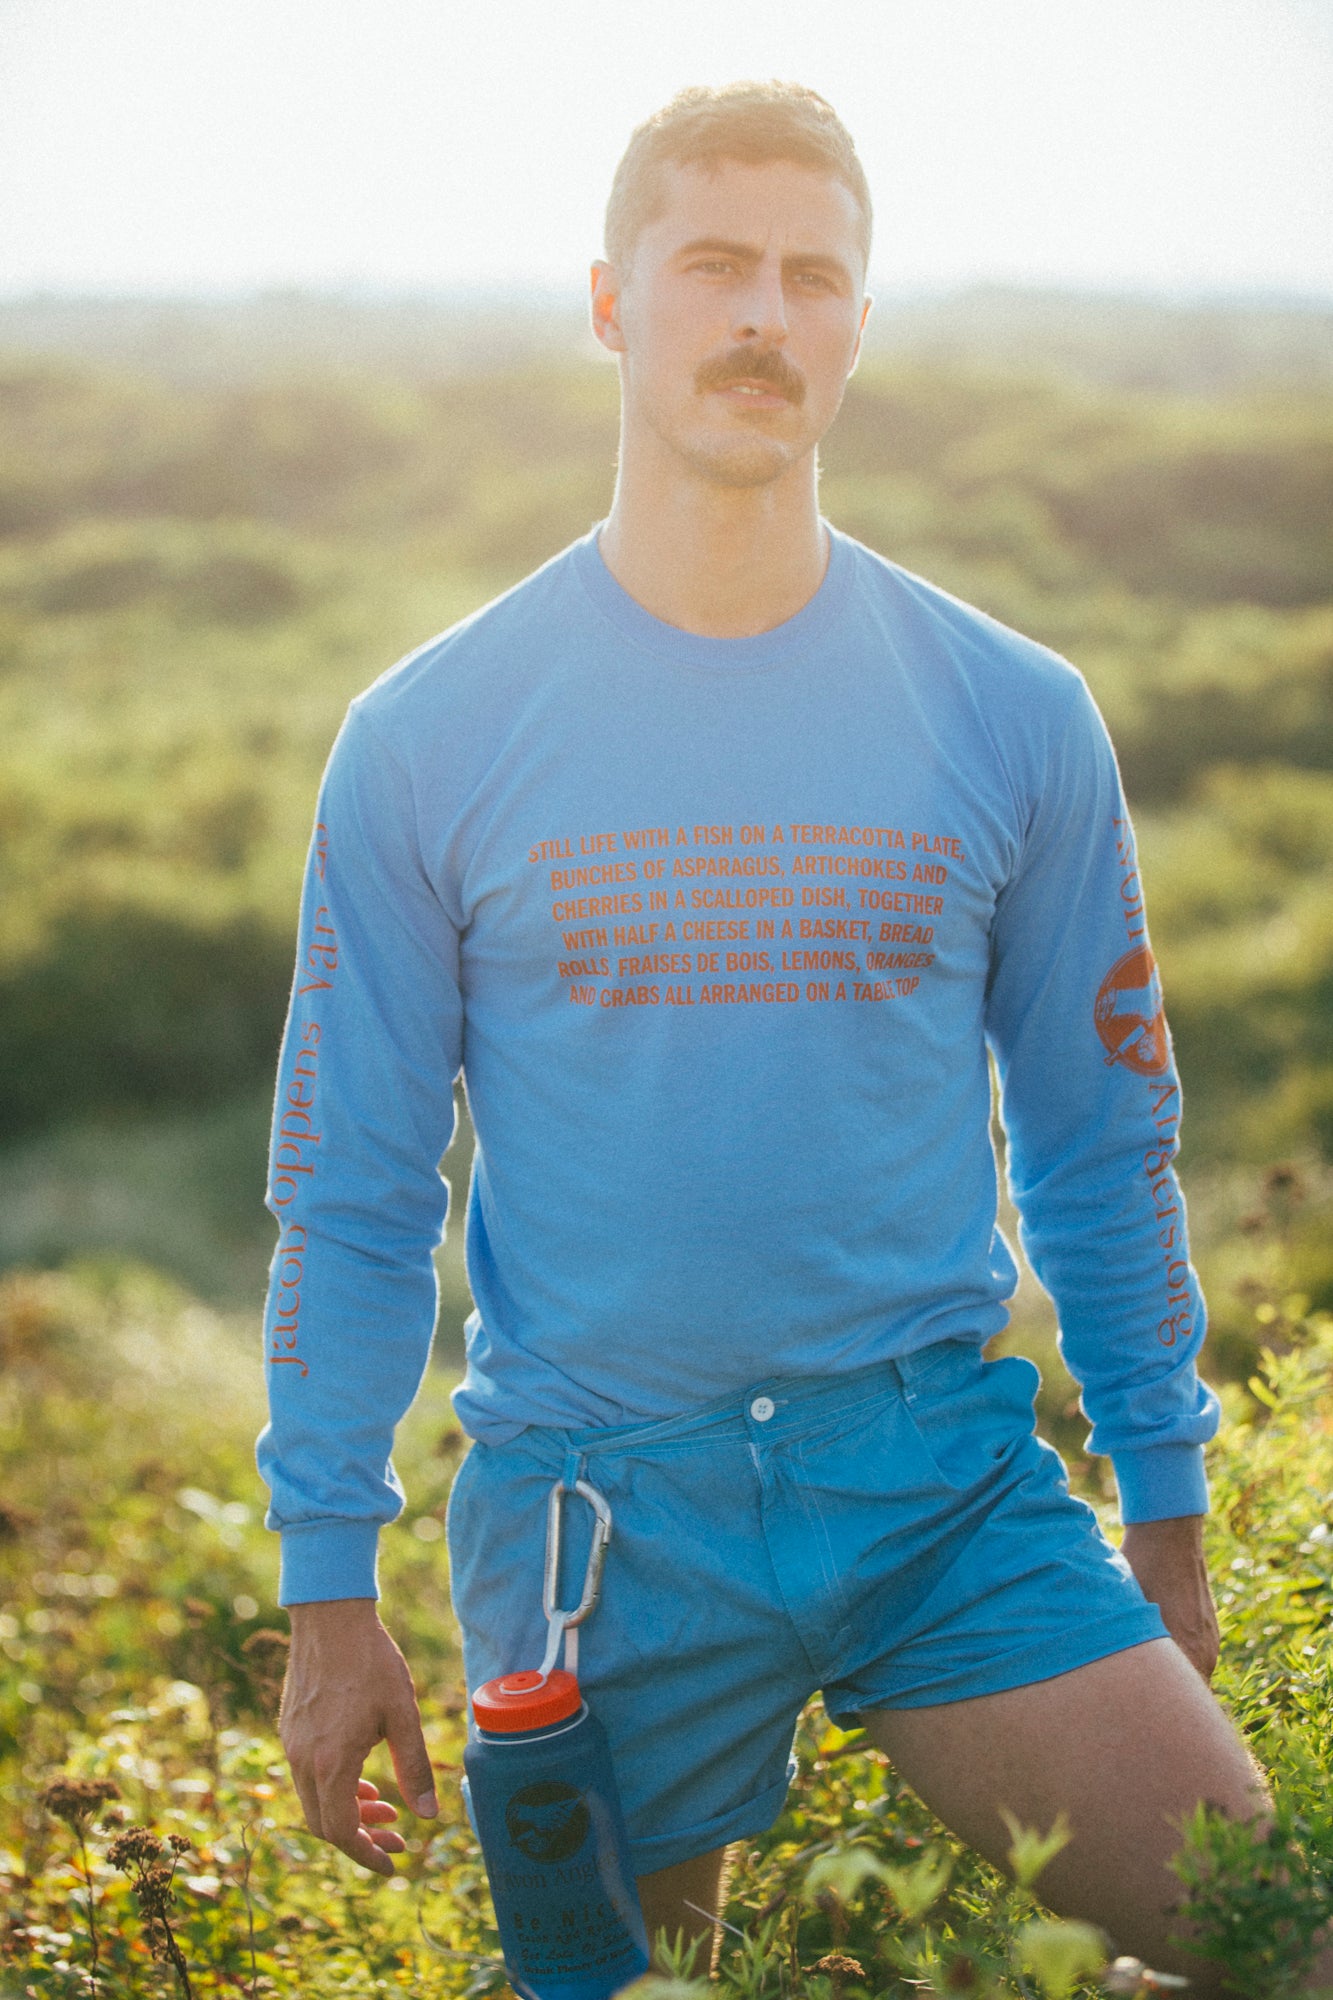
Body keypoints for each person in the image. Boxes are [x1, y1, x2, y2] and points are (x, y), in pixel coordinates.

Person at [258, 81, 1325, 1992]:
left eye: (811, 276)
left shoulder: (1013, 712)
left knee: (1277, 1947)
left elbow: (1100, 1142)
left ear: (854, 325)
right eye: (715, 265)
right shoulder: (426, 736)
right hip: (598, 1521)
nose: (764, 313)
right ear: (612, 303)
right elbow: (353, 1191)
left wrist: (1162, 1492)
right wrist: (327, 1588)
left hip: (933, 1486)